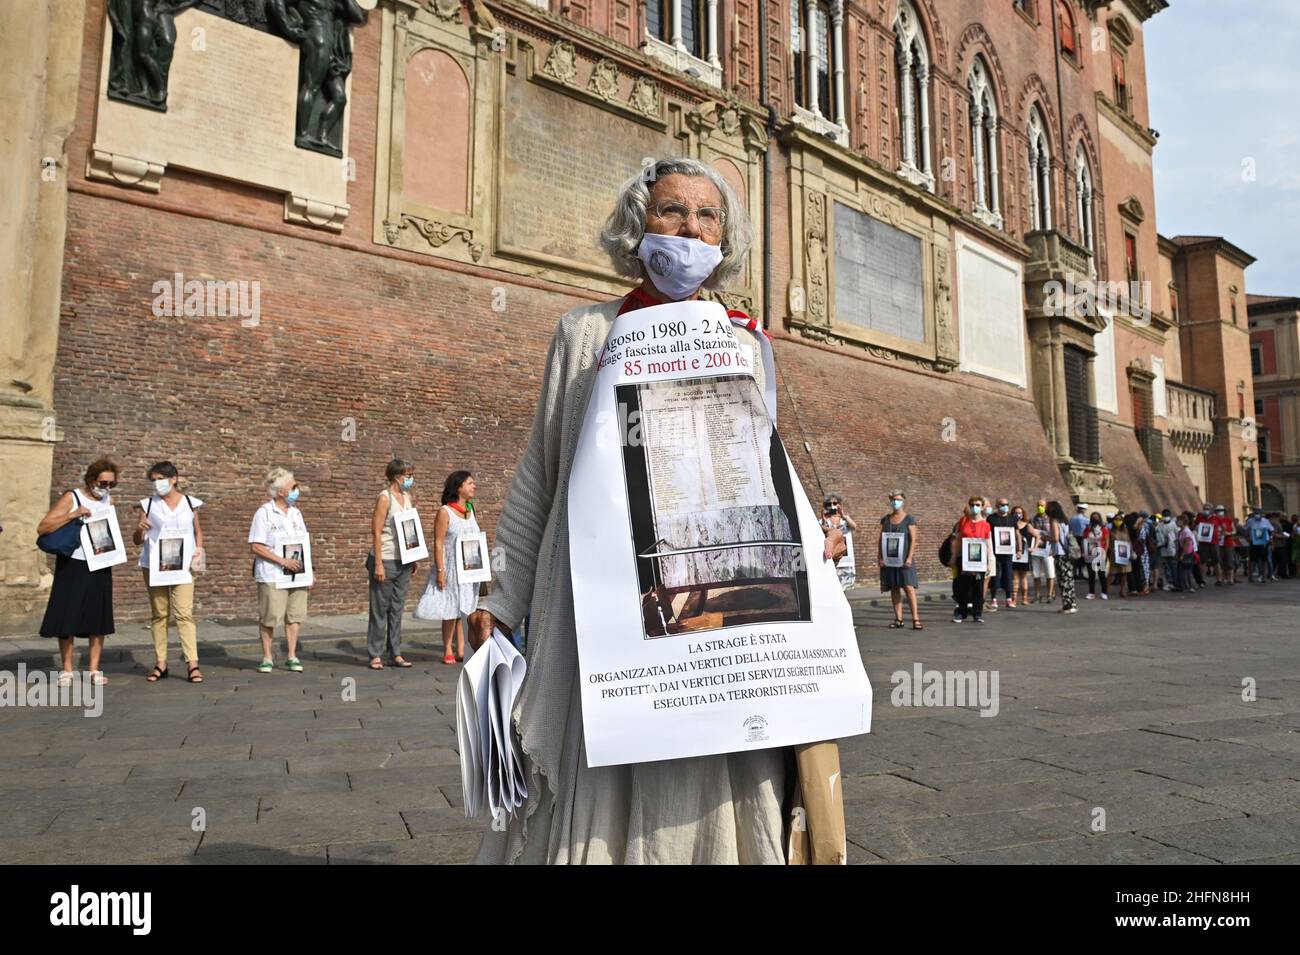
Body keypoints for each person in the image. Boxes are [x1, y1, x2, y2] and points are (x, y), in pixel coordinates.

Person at [462, 158, 792, 864]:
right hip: (596, 606)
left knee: (704, 768)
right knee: (601, 759)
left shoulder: (744, 342)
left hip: (712, 606)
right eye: (673, 210)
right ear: (639, 223)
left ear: (724, 240)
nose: (690, 228)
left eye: (708, 217)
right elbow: (538, 476)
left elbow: (763, 474)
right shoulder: (583, 335)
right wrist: (505, 593)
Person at [36, 458, 120, 686]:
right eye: (103, 483)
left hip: (100, 562)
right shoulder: (72, 497)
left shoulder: (108, 499)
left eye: (112, 484)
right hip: (73, 562)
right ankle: (67, 669)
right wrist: (73, 514)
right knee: (67, 614)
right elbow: (43, 527)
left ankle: (94, 669)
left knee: (98, 616)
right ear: (92, 480)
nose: (107, 488)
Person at [133, 461, 205, 683]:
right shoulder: (148, 505)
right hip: (155, 565)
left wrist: (199, 549)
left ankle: (192, 664)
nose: (157, 484)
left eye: (160, 479)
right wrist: (140, 529)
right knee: (160, 614)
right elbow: (137, 541)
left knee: (184, 612)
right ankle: (160, 663)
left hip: (183, 565)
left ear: (173, 478)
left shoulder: (190, 503)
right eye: (153, 480)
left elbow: (197, 531)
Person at [415, 470, 482, 663]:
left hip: (469, 568)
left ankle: (461, 649)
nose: (473, 486)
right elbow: (438, 542)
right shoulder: (444, 512)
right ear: (458, 487)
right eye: (469, 483)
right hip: (451, 567)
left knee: (465, 609)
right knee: (450, 609)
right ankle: (447, 648)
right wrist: (440, 571)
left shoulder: (471, 509)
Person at [248, 467, 309, 673]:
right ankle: (267, 656)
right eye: (293, 486)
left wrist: (310, 569)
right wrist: (282, 561)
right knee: (270, 616)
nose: (297, 490)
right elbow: (256, 546)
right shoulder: (264, 513)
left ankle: (292, 655)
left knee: (294, 615)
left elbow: (303, 544)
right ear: (281, 491)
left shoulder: (296, 513)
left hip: (296, 573)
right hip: (272, 573)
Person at [366, 458, 418, 670]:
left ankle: (395, 652)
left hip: (404, 560)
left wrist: (414, 556)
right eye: (408, 475)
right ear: (397, 476)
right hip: (385, 558)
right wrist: (378, 563)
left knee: (397, 608)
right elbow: (376, 531)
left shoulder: (407, 497)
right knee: (380, 608)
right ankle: (375, 653)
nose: (410, 479)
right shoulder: (384, 498)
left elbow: (410, 529)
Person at [878, 490, 921, 629]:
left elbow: (913, 539)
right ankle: (898, 619)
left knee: (908, 587)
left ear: (903, 501)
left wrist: (909, 557)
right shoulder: (885, 519)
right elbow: (881, 539)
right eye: (893, 499)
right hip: (890, 559)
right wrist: (880, 556)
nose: (895, 501)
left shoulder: (909, 519)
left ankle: (916, 619)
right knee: (894, 587)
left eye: (898, 499)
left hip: (904, 559)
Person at [947, 496, 991, 623]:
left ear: (982, 507)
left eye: (977, 504)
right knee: (963, 587)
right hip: (964, 559)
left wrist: (990, 563)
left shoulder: (986, 525)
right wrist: (953, 557)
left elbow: (988, 545)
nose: (974, 507)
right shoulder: (963, 521)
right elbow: (958, 541)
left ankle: (977, 614)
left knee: (978, 586)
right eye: (972, 504)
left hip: (980, 559)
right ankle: (961, 613)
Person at [820, 493, 857, 592]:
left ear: (839, 504)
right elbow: (820, 532)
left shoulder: (844, 520)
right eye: (829, 504)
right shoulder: (823, 521)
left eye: (835, 503)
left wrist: (843, 515)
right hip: (832, 559)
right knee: (830, 590)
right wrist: (823, 518)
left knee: (843, 591)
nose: (832, 506)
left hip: (845, 560)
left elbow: (854, 527)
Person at [1046, 501, 1077, 613]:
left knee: (1063, 580)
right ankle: (1071, 603)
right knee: (1068, 579)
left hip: (1060, 553)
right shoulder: (1064, 520)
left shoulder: (1054, 521)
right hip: (1067, 552)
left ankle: (1068, 605)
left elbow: (1055, 538)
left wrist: (1045, 537)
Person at [986, 498, 1016, 611]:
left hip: (1008, 552)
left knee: (1008, 574)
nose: (1005, 506)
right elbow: (988, 534)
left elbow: (1016, 533)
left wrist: (1019, 549)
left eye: (1007, 504)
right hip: (996, 551)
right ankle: (994, 599)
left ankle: (1009, 599)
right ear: (997, 506)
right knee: (995, 575)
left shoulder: (1012, 518)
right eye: (1003, 504)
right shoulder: (991, 518)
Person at [1028, 499, 1056, 604]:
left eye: (1042, 505)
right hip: (1036, 549)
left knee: (1050, 573)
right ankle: (1037, 595)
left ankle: (1049, 595)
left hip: (1048, 550)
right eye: (1038, 505)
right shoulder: (1033, 519)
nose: (1040, 507)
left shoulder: (1051, 519)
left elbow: (1055, 535)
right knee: (1036, 574)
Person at [1011, 505, 1034, 607]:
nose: (1017, 514)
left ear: (1023, 514)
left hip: (1024, 555)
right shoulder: (1010, 525)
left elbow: (1037, 536)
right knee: (1014, 578)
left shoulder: (1027, 525)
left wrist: (1033, 548)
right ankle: (1014, 599)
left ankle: (1025, 598)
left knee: (1023, 577)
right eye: (1015, 512)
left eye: (1019, 512)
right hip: (1013, 554)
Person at [1082, 511, 1109, 600]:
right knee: (1091, 574)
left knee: (1101, 574)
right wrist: (1083, 551)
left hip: (1100, 553)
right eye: (1093, 517)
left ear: (1100, 518)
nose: (1095, 519)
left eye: (1096, 517)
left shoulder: (1104, 529)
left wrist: (1104, 551)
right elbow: (1084, 540)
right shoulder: (1087, 529)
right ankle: (1091, 592)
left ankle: (1104, 592)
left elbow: (1107, 541)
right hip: (1090, 554)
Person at [1244, 508, 1274, 583]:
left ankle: (1264, 577)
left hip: (1264, 543)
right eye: (1255, 513)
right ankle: (1250, 577)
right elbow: (1245, 530)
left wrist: (1270, 538)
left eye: (1258, 513)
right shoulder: (1250, 521)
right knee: (1252, 560)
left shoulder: (1266, 521)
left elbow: (1272, 531)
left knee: (1264, 560)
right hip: (1253, 543)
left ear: (1261, 513)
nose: (1257, 514)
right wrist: (1247, 538)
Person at [1155, 510, 1179, 591]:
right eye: (1164, 515)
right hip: (1163, 549)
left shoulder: (1173, 524)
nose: (1165, 517)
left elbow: (1177, 534)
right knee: (1166, 567)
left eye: (1167, 515)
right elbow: (1158, 535)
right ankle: (1170, 582)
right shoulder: (1160, 525)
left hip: (1172, 548)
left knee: (1173, 566)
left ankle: (1175, 582)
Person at [1176, 513, 1198, 594]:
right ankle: (1185, 586)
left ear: (1183, 522)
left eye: (1178, 521)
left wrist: (1182, 554)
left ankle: (1189, 586)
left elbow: (1187, 543)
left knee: (1186, 570)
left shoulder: (1186, 531)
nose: (1177, 522)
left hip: (1187, 553)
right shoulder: (1181, 530)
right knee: (1184, 570)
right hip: (1184, 551)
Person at [1068, 503, 1090, 580]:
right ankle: (1081, 572)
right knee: (1082, 556)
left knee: (1075, 556)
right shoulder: (1086, 519)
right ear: (1083, 510)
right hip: (1083, 538)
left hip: (1074, 538)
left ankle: (1075, 573)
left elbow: (1069, 529)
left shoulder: (1072, 518)